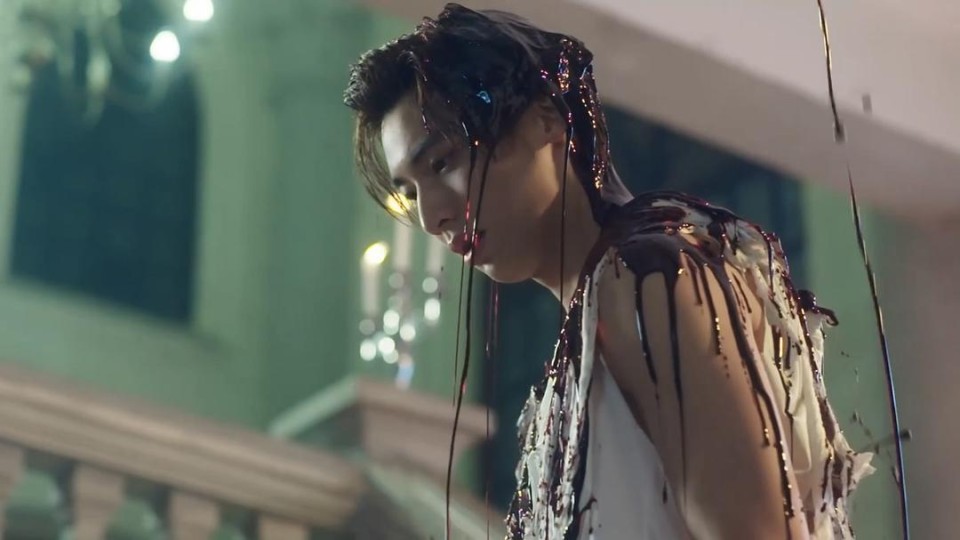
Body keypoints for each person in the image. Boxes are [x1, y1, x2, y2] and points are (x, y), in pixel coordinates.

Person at [343, 4, 872, 539]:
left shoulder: (644, 276)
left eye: (443, 163)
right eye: (411, 193)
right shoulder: (608, 304)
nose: (431, 216)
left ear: (545, 119)